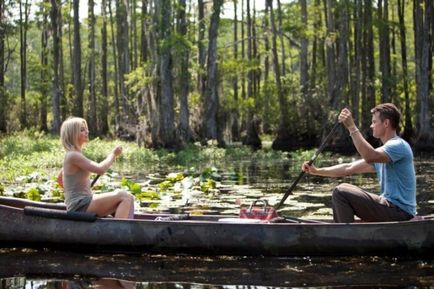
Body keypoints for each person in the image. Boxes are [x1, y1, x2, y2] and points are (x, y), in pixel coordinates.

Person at [302, 103, 416, 223]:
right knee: (343, 189)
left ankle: (345, 236)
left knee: (340, 192)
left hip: (400, 212)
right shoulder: (383, 154)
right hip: (391, 209)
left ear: (386, 123)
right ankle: (346, 231)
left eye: (374, 122)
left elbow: (370, 156)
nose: (371, 126)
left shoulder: (398, 145)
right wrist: (317, 171)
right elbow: (348, 167)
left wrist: (352, 127)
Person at [57, 117, 134, 219]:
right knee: (125, 196)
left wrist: (80, 189)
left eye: (86, 129)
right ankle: (119, 231)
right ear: (73, 134)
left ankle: (127, 228)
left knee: (130, 199)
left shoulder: (73, 154)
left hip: (82, 202)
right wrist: (113, 154)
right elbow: (101, 169)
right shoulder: (73, 155)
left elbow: (60, 179)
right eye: (82, 130)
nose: (87, 132)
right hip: (79, 206)